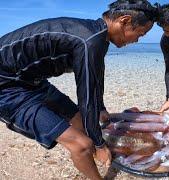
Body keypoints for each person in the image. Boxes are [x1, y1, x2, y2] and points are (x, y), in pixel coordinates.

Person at [0, 0, 158, 179]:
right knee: (82, 144)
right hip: (6, 89)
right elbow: (86, 95)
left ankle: (87, 158)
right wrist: (98, 144)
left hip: (31, 81)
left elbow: (96, 75)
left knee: (80, 121)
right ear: (124, 20)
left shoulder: (97, 36)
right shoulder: (89, 41)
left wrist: (101, 108)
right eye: (140, 34)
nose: (137, 40)